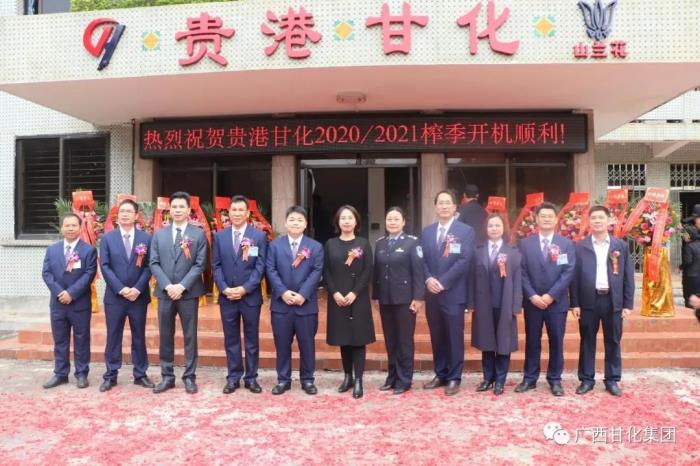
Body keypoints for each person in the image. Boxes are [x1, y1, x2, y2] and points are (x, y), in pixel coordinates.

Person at [570, 205, 634, 397]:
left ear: (609, 221)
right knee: (587, 339)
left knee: (613, 340)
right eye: (594, 218)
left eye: (601, 218)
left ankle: (612, 379)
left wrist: (627, 304)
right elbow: (574, 277)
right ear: (589, 222)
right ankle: (586, 379)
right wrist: (575, 303)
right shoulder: (580, 246)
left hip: (613, 301)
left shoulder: (620, 245)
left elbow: (628, 276)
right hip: (588, 301)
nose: (597, 221)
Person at [149, 191, 208, 394]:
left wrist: (182, 286)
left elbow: (200, 264)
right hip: (165, 293)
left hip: (188, 293)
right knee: (165, 335)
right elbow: (153, 263)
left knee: (190, 336)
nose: (178, 210)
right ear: (169, 209)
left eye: (182, 207)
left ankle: (189, 377)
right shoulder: (159, 234)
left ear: (189, 210)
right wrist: (168, 286)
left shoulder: (198, 234)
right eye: (174, 207)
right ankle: (167, 376)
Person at [516, 201, 575, 397]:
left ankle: (555, 379)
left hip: (556, 303)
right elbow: (521, 271)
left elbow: (568, 272)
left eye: (550, 216)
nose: (547, 219)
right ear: (536, 219)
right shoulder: (525, 244)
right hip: (532, 302)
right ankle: (529, 378)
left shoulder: (566, 244)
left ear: (556, 220)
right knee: (532, 341)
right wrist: (532, 295)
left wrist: (551, 295)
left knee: (556, 341)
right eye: (543, 216)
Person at [419, 190, 475, 396]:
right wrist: (428, 279)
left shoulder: (465, 231)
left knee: (454, 336)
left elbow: (464, 260)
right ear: (435, 207)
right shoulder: (427, 232)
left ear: (454, 207)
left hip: (453, 293)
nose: (443, 206)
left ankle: (454, 377)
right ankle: (440, 373)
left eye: (447, 203)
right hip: (432, 293)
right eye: (440, 203)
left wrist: (443, 282)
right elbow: (421, 259)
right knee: (437, 335)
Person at [212, 195, 268, 395]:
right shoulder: (220, 236)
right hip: (227, 296)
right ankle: (233, 377)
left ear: (247, 213)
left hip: (250, 297)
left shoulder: (258, 236)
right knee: (231, 339)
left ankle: (251, 378)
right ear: (228, 213)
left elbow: (260, 267)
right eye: (233, 210)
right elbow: (216, 266)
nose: (236, 213)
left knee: (252, 339)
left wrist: (245, 289)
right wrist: (224, 288)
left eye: (240, 210)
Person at [265, 206, 324, 395]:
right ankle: (283, 380)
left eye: (299, 220)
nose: (295, 223)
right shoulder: (275, 245)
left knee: (307, 345)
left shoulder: (315, 247)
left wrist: (302, 294)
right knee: (282, 345)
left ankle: (308, 380)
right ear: (285, 223)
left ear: (305, 224)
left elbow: (317, 271)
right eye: (292, 219)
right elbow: (270, 270)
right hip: (281, 305)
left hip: (306, 305)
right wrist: (283, 292)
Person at [98, 199, 154, 392]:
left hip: (138, 297)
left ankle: (140, 374)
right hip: (115, 297)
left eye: (129, 211)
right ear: (117, 215)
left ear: (136, 215)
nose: (125, 214)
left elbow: (150, 266)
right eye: (122, 211)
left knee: (139, 336)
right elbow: (105, 266)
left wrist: (137, 289)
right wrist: (121, 289)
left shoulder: (146, 238)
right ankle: (111, 374)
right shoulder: (107, 238)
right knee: (113, 336)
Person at [467, 214, 522, 396]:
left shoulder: (512, 252)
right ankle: (487, 378)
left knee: (504, 342)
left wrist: (516, 304)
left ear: (503, 228)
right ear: (486, 228)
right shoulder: (477, 251)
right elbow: (471, 279)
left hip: (504, 303)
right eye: (490, 225)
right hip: (483, 303)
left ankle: (500, 380)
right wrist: (471, 303)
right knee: (487, 341)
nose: (494, 229)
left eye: (497, 225)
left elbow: (517, 280)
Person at [41, 213, 98, 389]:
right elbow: (46, 273)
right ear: (61, 228)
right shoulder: (52, 249)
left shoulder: (88, 250)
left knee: (82, 339)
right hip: (58, 303)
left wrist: (71, 293)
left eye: (74, 225)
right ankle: (60, 374)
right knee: (60, 340)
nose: (70, 228)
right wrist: (60, 293)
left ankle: (81, 374)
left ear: (80, 228)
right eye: (67, 225)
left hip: (79, 303)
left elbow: (89, 274)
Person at [325, 205, 375, 399]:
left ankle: (359, 379)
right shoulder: (330, 244)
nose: (346, 221)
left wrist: (355, 292)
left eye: (350, 218)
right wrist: (335, 292)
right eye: (343, 218)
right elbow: (326, 271)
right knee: (343, 338)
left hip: (358, 298)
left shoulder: (363, 243)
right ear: (338, 222)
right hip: (337, 298)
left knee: (358, 339)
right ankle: (348, 377)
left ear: (356, 221)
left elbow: (368, 270)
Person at [373, 207, 424, 395]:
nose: (392, 222)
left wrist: (418, 297)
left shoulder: (412, 243)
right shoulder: (380, 243)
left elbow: (418, 272)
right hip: (386, 299)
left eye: (396, 219)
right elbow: (377, 273)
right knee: (391, 340)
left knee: (404, 341)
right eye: (389, 219)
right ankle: (392, 377)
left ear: (403, 222)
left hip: (405, 300)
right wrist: (376, 296)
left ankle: (404, 379)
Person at [681, 205, 700, 310]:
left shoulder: (689, 246)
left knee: (690, 300)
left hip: (691, 275)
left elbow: (688, 261)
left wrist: (681, 267)